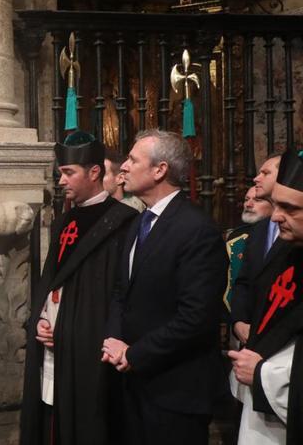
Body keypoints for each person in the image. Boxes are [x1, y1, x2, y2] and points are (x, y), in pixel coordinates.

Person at [101, 129, 228, 445]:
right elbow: (121, 291)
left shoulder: (197, 230)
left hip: (175, 390)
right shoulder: (137, 222)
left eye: (133, 159)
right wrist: (114, 339)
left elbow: (196, 318)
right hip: (131, 384)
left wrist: (135, 353)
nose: (124, 167)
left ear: (160, 170)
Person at [21, 132, 137, 445]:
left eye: (68, 172)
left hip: (87, 345)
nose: (61, 181)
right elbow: (52, 282)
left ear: (95, 172)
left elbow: (117, 291)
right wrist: (44, 317)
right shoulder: (64, 221)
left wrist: (72, 327)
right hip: (53, 341)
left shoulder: (123, 222)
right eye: (61, 173)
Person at [228, 149, 303, 444]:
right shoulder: (287, 251)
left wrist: (263, 375)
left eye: (290, 208)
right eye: (275, 205)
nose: (275, 217)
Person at [231, 154, 287, 346]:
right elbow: (243, 281)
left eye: (265, 173)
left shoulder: (294, 225)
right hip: (251, 336)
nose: (256, 178)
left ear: (283, 176)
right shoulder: (259, 228)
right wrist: (238, 321)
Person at [225, 186, 275, 316]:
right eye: (247, 199)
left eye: (257, 200)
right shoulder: (235, 237)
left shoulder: (281, 236)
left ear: (275, 205)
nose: (248, 204)